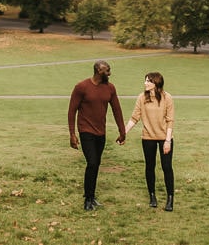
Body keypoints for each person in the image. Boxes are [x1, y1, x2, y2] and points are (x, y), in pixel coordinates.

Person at [68, 59, 126, 211]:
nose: (109, 73)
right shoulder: (82, 87)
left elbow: (117, 110)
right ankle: (87, 199)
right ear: (98, 71)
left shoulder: (110, 88)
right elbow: (72, 111)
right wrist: (72, 134)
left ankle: (92, 197)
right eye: (107, 70)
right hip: (86, 130)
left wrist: (122, 131)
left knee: (96, 165)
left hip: (101, 132)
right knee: (92, 163)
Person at [123, 71, 175, 211]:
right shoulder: (141, 98)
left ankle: (170, 198)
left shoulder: (167, 97)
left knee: (167, 167)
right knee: (149, 167)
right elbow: (134, 118)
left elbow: (170, 121)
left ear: (156, 83)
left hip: (165, 138)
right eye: (145, 80)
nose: (145, 83)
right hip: (148, 138)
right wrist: (123, 133)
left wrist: (168, 141)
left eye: (148, 81)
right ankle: (152, 196)